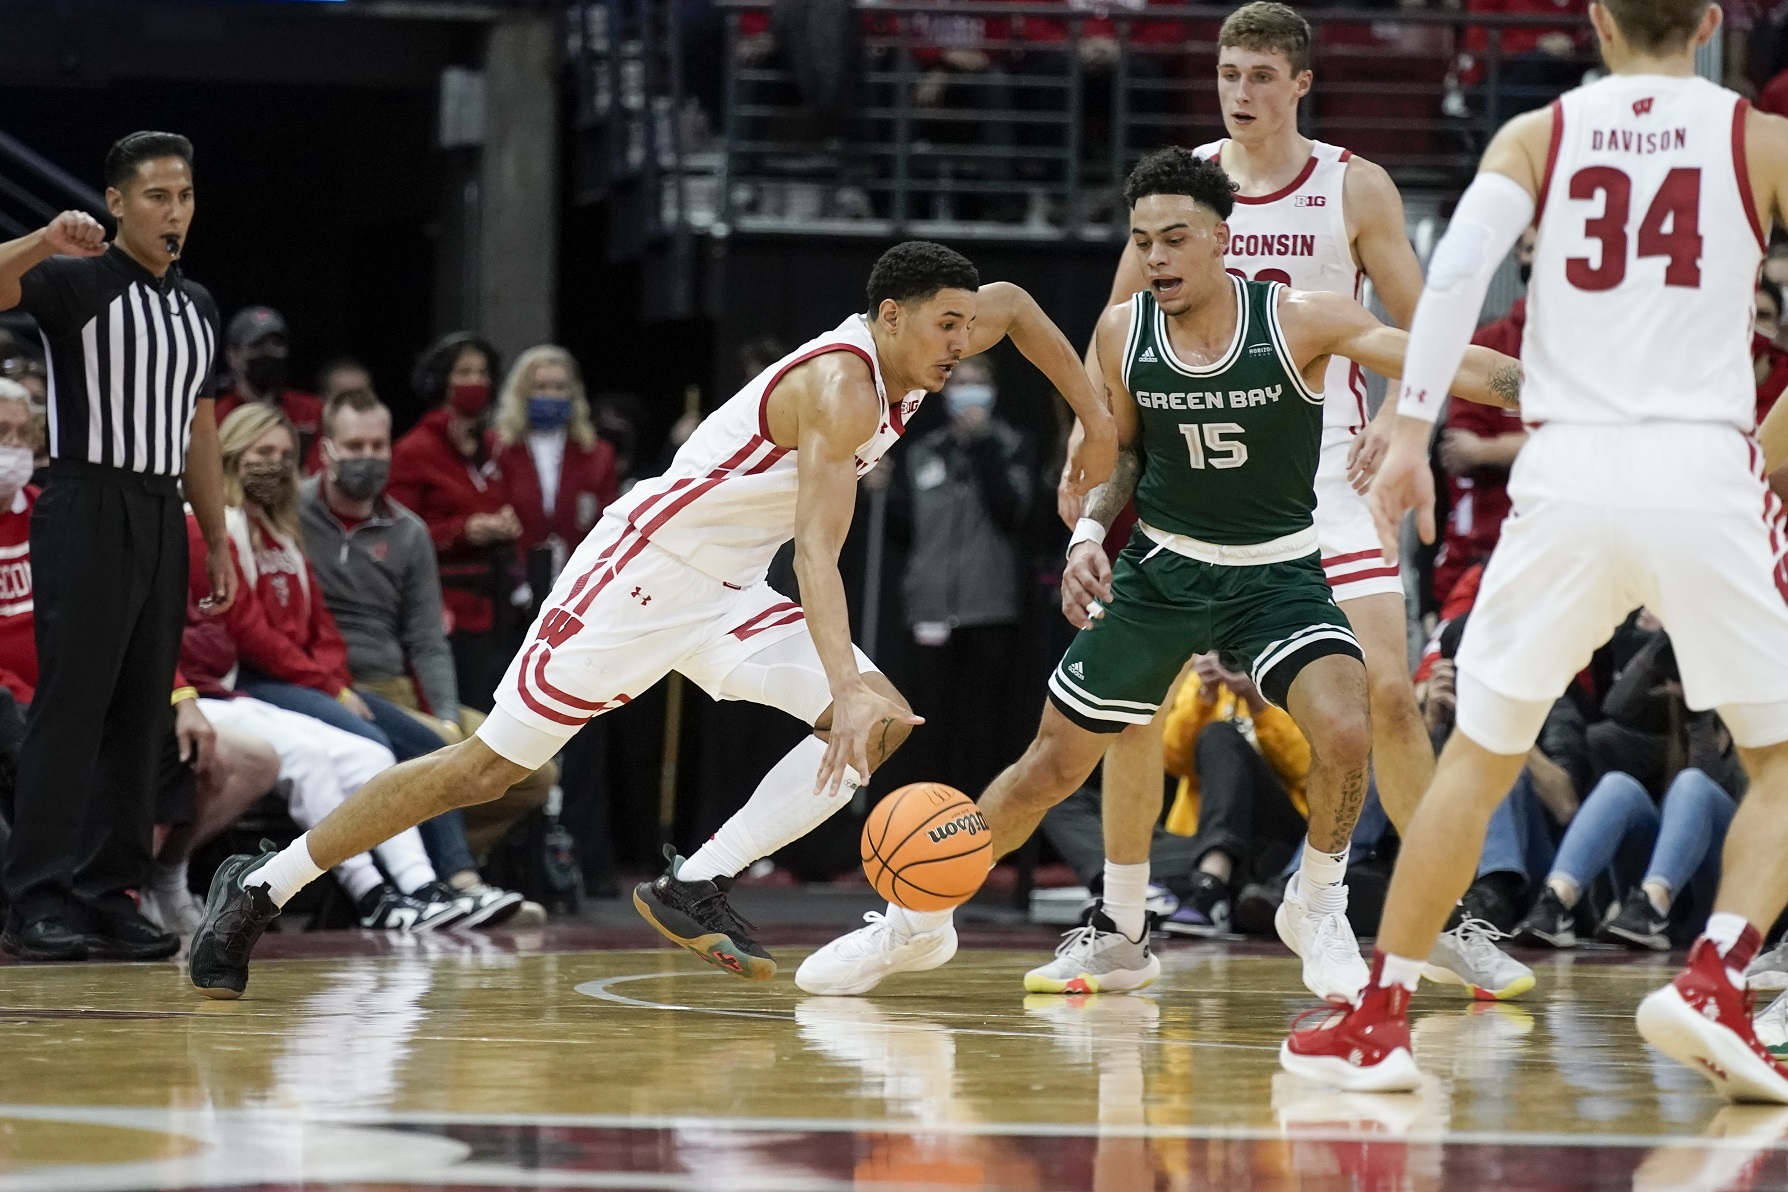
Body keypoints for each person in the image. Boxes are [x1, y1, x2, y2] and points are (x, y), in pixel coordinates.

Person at [186, 240, 1116, 999]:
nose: (962, 344)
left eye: (964, 325)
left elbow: (1022, 306)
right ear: (889, 318)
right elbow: (820, 557)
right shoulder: (841, 389)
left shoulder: (942, 329)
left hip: (728, 589)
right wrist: (843, 681)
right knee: (483, 769)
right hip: (641, 576)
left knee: (879, 721)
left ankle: (695, 883)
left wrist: (1095, 423)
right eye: (945, 326)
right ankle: (263, 885)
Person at [795, 151, 1523, 1000]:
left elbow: (1450, 362)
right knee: (1047, 768)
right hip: (1163, 572)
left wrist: (1544, 387)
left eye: (1175, 238)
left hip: (1275, 574)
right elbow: (1127, 452)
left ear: (1222, 240)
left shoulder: (1300, 320)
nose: (1157, 258)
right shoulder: (1123, 331)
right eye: (1142, 241)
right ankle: (912, 923)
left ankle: (1318, 905)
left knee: (1351, 725)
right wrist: (1090, 535)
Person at [1282, 0, 1788, 1099]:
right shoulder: (1761, 140)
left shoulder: (1540, 134)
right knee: (1783, 757)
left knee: (1478, 757)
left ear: (1598, 18)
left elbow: (1456, 271)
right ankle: (1716, 976)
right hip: (1701, 465)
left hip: (1563, 471)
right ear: (1708, 21)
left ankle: (1382, 1015)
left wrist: (1411, 425)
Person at [1055, 3, 1497, 999]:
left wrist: (1404, 417)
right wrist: (1087, 470)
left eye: (1260, 75)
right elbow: (1109, 339)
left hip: (1326, 475)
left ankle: (1442, 915)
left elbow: (1421, 334)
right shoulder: (1182, 193)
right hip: (1197, 482)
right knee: (1130, 705)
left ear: (1301, 84)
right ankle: (1123, 923)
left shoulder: (1354, 186)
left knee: (1387, 695)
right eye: (1227, 73)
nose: (1240, 93)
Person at [0, 131, 237, 962]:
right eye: (157, 197)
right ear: (115, 203)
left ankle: (109, 891)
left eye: (185, 197)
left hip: (160, 512)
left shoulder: (198, 306)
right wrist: (39, 240)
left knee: (142, 715)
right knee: (73, 709)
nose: (175, 213)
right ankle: (36, 895)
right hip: (84, 500)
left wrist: (215, 532)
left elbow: (200, 429)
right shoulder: (76, 281)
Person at [303, 387, 555, 895]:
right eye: (354, 447)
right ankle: (451, 874)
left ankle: (429, 850)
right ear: (326, 449)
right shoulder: (290, 514)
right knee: (434, 758)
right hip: (328, 687)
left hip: (396, 684)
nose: (368, 458)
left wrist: (443, 714)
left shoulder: (409, 531)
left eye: (378, 447)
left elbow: (426, 639)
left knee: (533, 771)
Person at [893, 354, 1034, 798]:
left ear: (992, 391)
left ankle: (981, 823)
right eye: (960, 382)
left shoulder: (1012, 445)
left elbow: (1013, 513)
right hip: (930, 608)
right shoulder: (923, 451)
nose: (968, 391)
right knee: (929, 723)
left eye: (979, 382)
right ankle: (926, 821)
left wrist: (982, 448)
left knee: (981, 726)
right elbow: (903, 532)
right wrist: (879, 495)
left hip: (988, 608)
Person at [389, 333, 522, 711]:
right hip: (443, 613)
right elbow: (396, 538)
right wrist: (462, 531)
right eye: (464, 372)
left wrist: (508, 523)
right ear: (440, 382)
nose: (475, 381)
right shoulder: (414, 450)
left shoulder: (496, 447)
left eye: (482, 373)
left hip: (497, 611)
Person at [490, 345, 619, 589]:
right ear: (521, 393)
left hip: (578, 582)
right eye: (540, 388)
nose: (550, 396)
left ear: (573, 394)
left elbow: (608, 521)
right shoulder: (497, 449)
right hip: (511, 584)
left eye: (559, 388)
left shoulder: (598, 454)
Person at [214, 306, 325, 463]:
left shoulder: (312, 411)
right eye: (258, 345)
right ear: (233, 355)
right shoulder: (216, 418)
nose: (270, 351)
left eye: (277, 343)